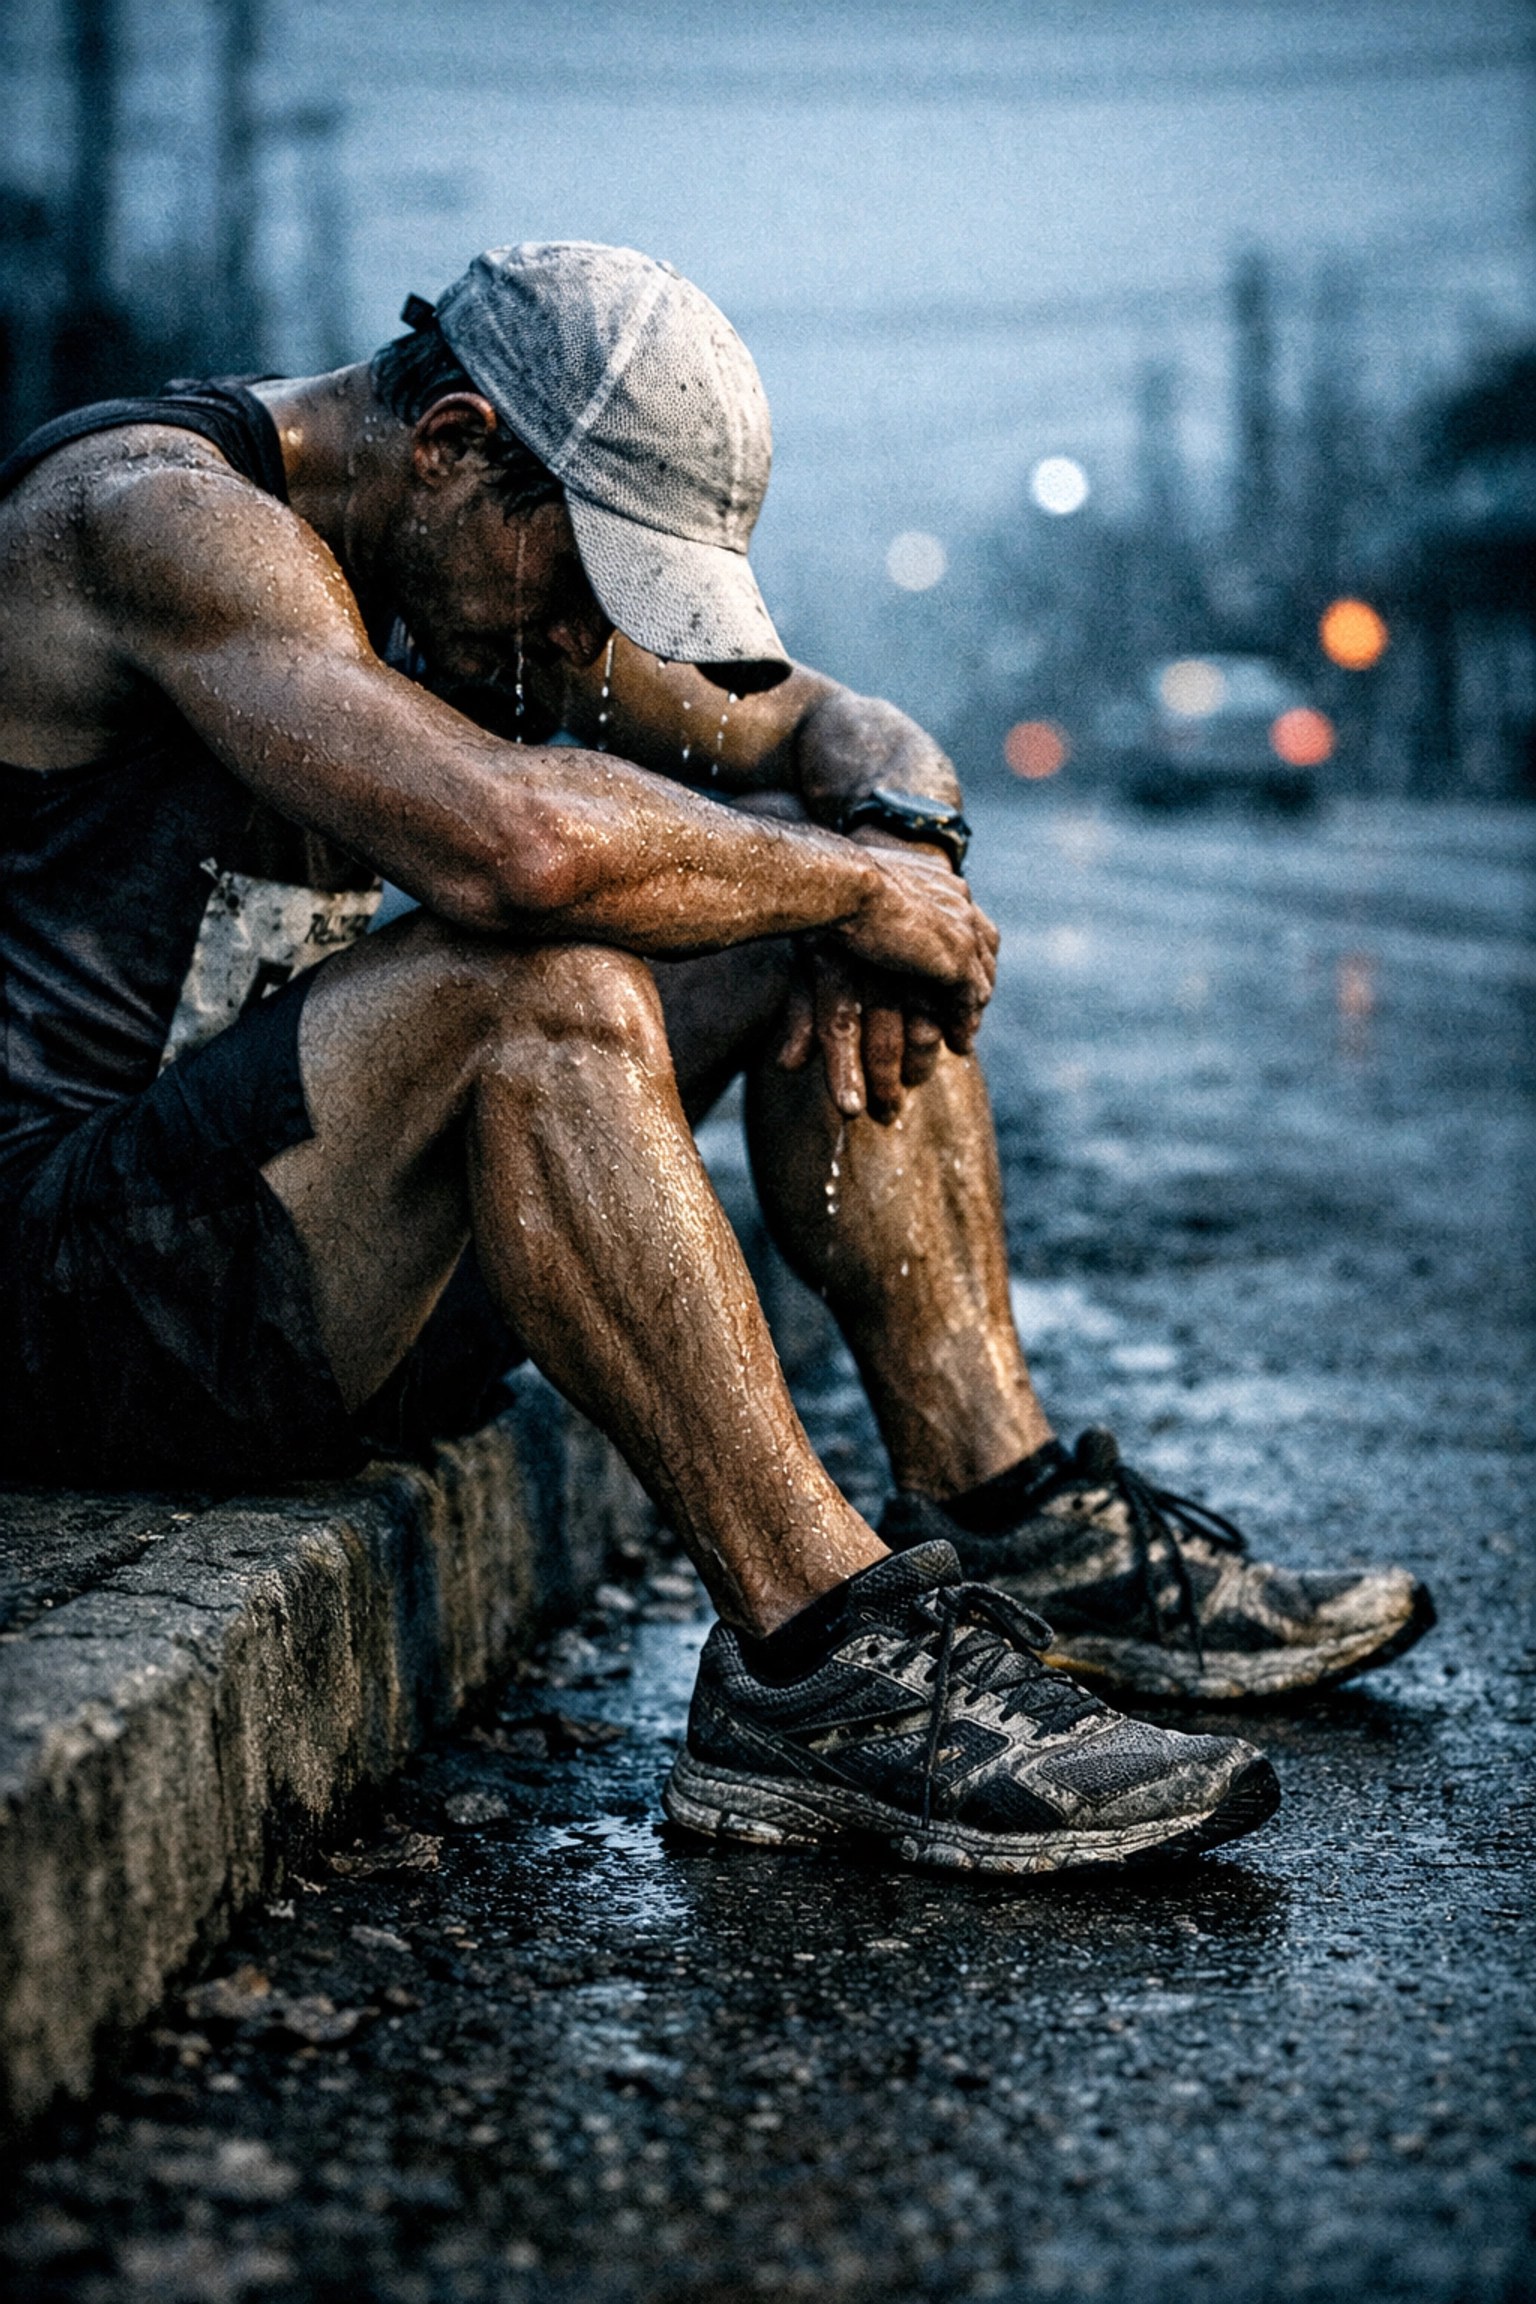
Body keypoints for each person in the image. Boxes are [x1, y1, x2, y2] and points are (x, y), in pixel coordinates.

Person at [0, 242, 1433, 1876]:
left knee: (788, 913)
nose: (585, 642)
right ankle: (818, 1664)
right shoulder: (152, 519)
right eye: (583, 578)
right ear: (457, 445)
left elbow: (846, 726)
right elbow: (516, 849)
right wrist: (854, 879)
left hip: (286, 1271)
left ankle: (1005, 1507)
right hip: (68, 1300)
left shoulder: (468, 567)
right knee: (538, 981)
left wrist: (894, 845)